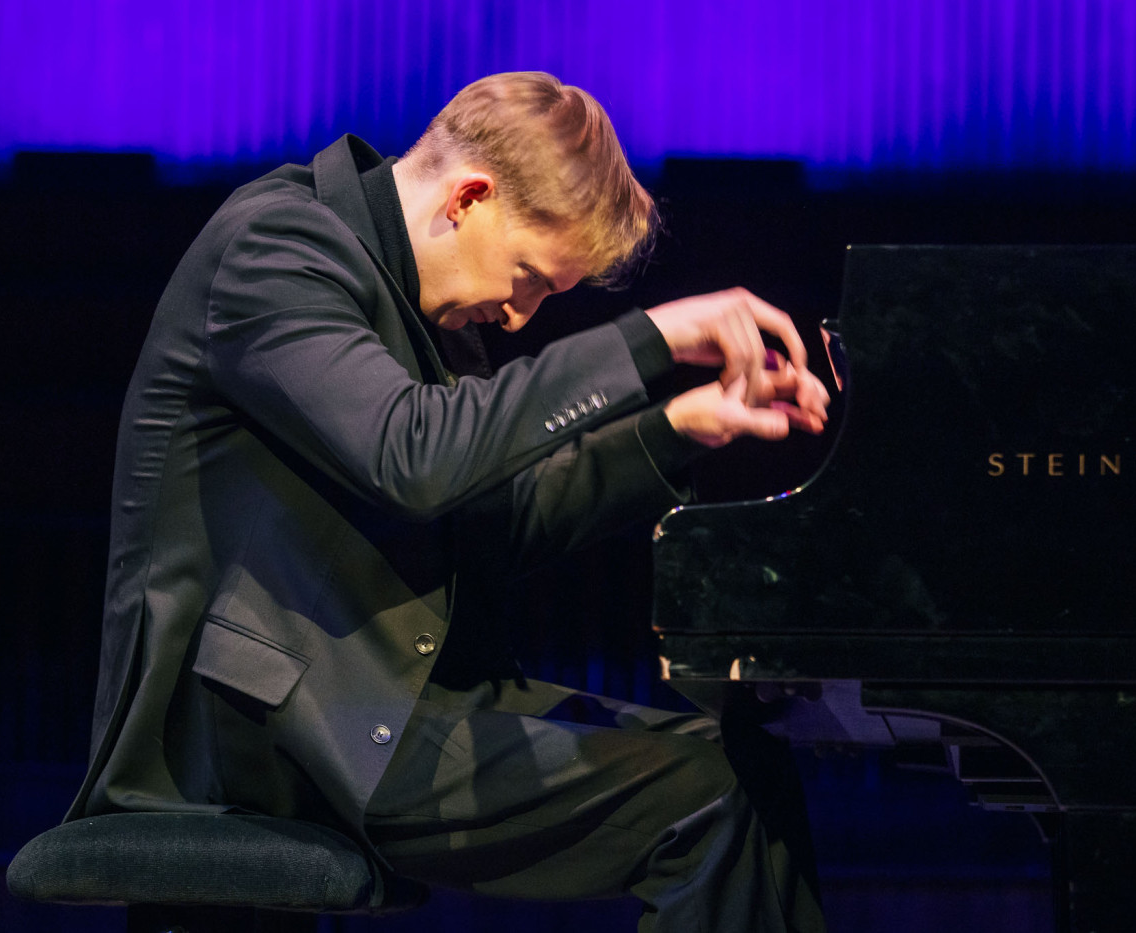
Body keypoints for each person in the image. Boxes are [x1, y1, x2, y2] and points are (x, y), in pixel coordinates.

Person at [67, 71, 830, 932]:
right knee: (701, 799)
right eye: (530, 278)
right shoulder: (277, 247)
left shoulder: (429, 308)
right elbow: (412, 455)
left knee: (744, 769)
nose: (521, 316)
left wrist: (681, 426)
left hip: (377, 700)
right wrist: (649, 340)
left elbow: (500, 520)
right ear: (469, 198)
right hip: (260, 727)